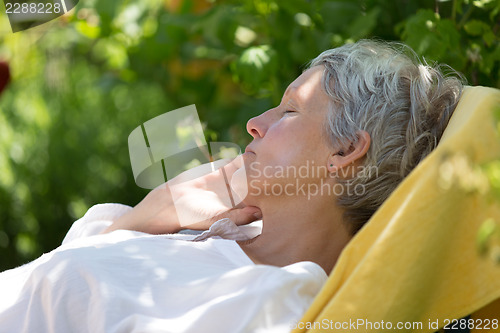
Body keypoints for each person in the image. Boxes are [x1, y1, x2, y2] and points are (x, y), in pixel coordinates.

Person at [0, 40, 464, 332]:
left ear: (344, 153)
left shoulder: (273, 302)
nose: (253, 123)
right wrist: (145, 217)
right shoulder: (208, 234)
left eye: (287, 111)